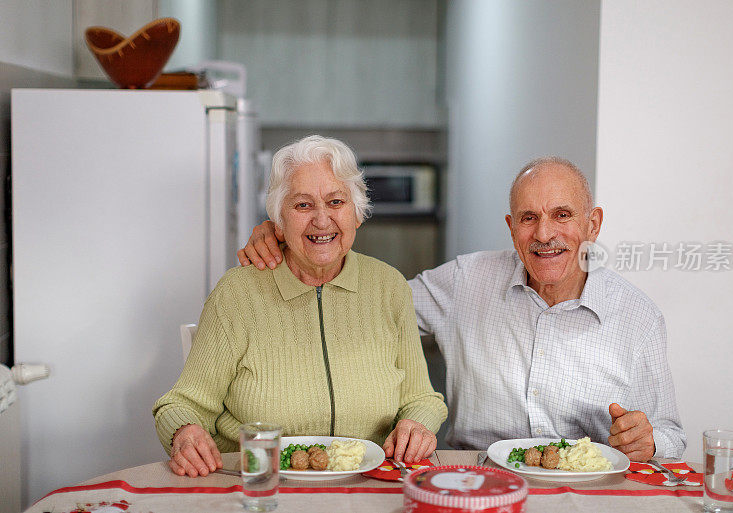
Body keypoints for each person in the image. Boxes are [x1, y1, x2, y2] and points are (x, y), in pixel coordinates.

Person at [238, 156, 686, 462]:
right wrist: (291, 239)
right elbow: (364, 305)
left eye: (563, 215)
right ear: (512, 228)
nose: (544, 233)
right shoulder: (467, 282)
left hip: (583, 496)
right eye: (528, 218)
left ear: (594, 223)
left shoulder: (637, 317)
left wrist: (648, 441)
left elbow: (671, 434)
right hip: (473, 482)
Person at [154, 135, 447, 477]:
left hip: (369, 484)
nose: (322, 221)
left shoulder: (388, 287)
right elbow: (182, 403)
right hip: (262, 484)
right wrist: (185, 432)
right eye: (303, 205)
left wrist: (417, 424)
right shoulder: (237, 294)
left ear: (357, 213)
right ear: (278, 222)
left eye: (336, 202)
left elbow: (422, 398)